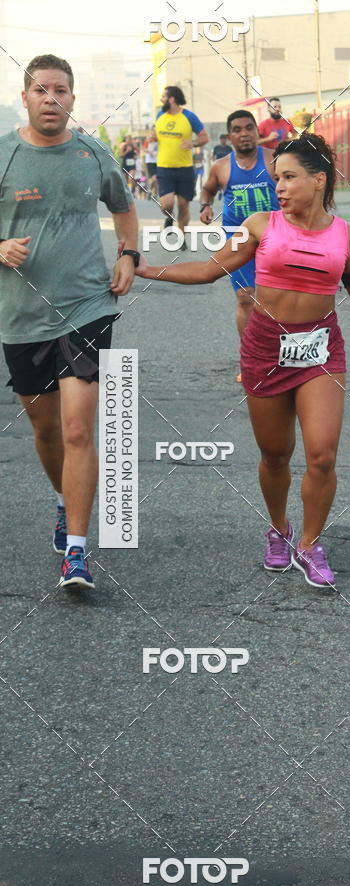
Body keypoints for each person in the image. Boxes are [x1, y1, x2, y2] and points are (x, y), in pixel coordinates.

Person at [135, 133, 350, 588]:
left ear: (319, 179)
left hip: (320, 350)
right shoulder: (259, 225)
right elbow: (210, 269)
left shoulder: (346, 235)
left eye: (289, 177)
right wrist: (146, 269)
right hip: (265, 348)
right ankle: (278, 529)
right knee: (275, 455)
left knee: (322, 456)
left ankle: (310, 544)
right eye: (277, 179)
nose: (280, 187)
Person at [0, 53, 138, 589]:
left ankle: (77, 553)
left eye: (60, 90)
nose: (51, 99)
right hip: (22, 314)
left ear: (72, 98)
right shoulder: (5, 154)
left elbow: (123, 207)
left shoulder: (92, 152)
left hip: (87, 306)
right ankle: (64, 499)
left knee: (79, 426)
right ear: (25, 97)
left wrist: (128, 254)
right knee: (47, 428)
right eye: (41, 90)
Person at [200, 110, 279, 382]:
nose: (244, 133)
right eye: (237, 129)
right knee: (245, 297)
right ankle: (251, 360)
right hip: (238, 239)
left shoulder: (275, 160)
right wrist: (206, 205)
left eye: (249, 127)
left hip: (275, 237)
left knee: (275, 300)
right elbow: (208, 189)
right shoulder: (221, 167)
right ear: (229, 136)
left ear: (257, 131)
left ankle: (280, 358)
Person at [155, 85, 208, 239]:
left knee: (183, 205)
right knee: (167, 205)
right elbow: (157, 135)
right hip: (164, 167)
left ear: (172, 99)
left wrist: (193, 143)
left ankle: (181, 237)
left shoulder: (189, 117)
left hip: (185, 168)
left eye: (164, 97)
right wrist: (153, 138)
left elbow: (205, 137)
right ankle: (169, 216)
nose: (161, 99)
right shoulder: (160, 115)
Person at [144, 128, 158, 198]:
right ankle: (150, 191)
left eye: (154, 134)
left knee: (156, 179)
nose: (153, 136)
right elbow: (144, 149)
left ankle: (154, 193)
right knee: (154, 178)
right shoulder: (147, 141)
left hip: (158, 161)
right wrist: (149, 152)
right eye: (152, 134)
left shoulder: (158, 142)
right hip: (150, 162)